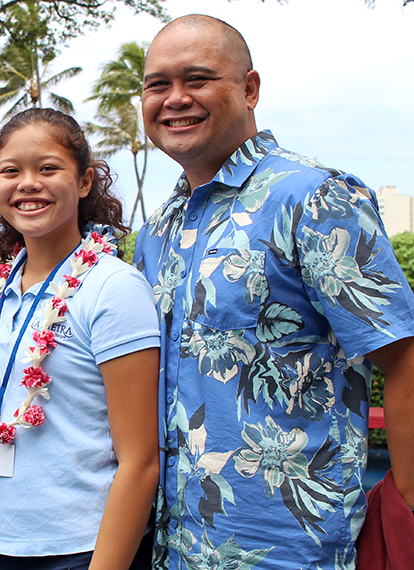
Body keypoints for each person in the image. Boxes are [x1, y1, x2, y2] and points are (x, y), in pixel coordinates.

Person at [133, 14, 414, 569]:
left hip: (293, 550)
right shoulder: (157, 230)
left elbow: (402, 359)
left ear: (250, 88)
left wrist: (404, 514)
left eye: (198, 79)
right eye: (158, 84)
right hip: (175, 547)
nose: (175, 99)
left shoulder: (312, 199)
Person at [0, 108, 160, 570]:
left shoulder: (114, 287)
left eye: (48, 168)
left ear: (85, 181)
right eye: (11, 170)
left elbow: (141, 460)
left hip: (82, 548)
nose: (27, 183)